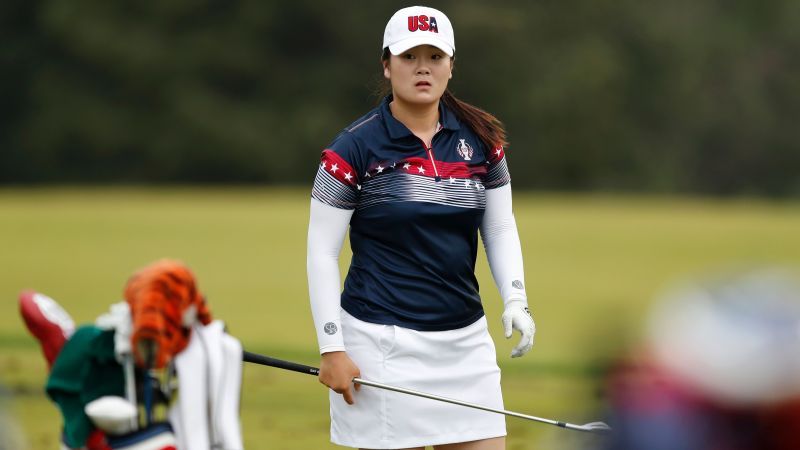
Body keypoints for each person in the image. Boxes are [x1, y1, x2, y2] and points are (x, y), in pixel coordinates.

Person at [307, 6, 535, 450]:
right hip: (380, 344)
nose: (423, 68)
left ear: (451, 66)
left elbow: (499, 226)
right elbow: (321, 252)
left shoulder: (482, 141)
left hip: (465, 343)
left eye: (435, 56)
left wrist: (515, 299)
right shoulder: (350, 149)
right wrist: (331, 347)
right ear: (387, 65)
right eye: (409, 56)